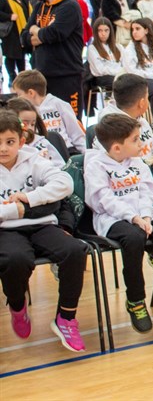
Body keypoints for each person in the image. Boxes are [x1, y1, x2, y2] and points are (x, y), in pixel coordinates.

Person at [85, 114, 153, 333]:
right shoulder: (95, 165)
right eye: (135, 140)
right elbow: (102, 200)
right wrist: (132, 217)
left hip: (145, 214)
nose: (141, 143)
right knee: (133, 239)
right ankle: (136, 301)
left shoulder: (138, 163)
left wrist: (144, 215)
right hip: (112, 218)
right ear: (117, 148)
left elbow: (147, 191)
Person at [0, 110, 86, 352]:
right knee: (15, 259)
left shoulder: (34, 160)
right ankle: (18, 306)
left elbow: (65, 185)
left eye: (10, 142)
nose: (4, 148)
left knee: (74, 251)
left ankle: (66, 318)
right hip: (5, 231)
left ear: (22, 140)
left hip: (42, 224)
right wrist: (15, 211)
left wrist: (29, 197)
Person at [20, 0, 84, 116]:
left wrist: (36, 30)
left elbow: (54, 34)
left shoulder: (70, 6)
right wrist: (41, 35)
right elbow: (23, 37)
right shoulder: (39, 7)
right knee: (47, 124)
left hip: (67, 76)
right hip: (42, 76)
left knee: (72, 124)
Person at [12, 70, 85, 154]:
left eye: (19, 94)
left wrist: (86, 158)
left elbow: (77, 135)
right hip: (39, 152)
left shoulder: (60, 105)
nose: (18, 98)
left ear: (31, 93)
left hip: (66, 151)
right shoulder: (24, 113)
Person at [97, 74, 153, 158]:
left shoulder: (138, 118)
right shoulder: (112, 126)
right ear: (141, 103)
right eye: (147, 97)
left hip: (150, 166)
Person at [6, 97, 65, 166]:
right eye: (24, 124)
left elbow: (60, 166)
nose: (30, 128)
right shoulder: (5, 147)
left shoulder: (42, 143)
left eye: (32, 124)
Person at [0, 0, 32, 82]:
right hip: (10, 32)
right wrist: (9, 16)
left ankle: (22, 77)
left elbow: (29, 11)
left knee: (21, 55)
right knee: (11, 55)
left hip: (22, 31)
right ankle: (12, 76)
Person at [87, 17, 124, 90]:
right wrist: (119, 72)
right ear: (95, 32)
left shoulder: (118, 46)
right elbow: (100, 70)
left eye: (106, 30)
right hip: (102, 78)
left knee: (136, 82)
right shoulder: (92, 48)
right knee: (123, 84)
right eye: (100, 30)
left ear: (110, 31)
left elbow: (126, 64)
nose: (103, 34)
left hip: (120, 76)